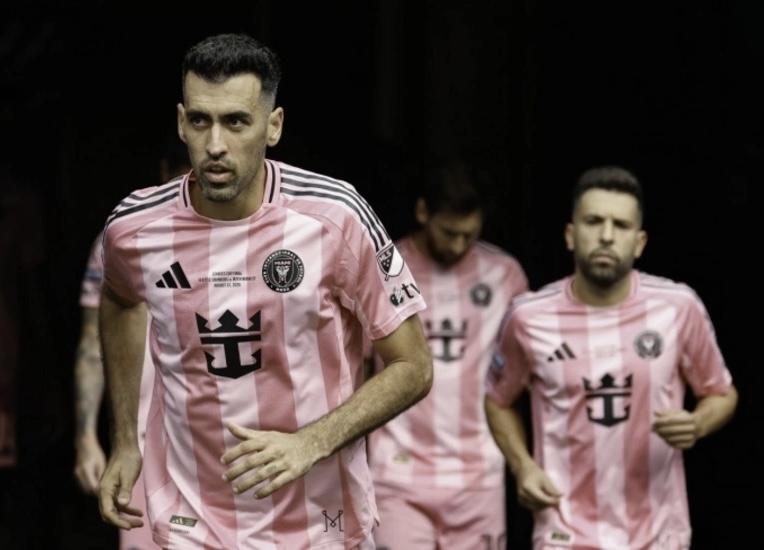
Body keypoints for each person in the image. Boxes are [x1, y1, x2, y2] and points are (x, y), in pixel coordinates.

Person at [96, 33, 433, 550]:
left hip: (319, 525)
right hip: (192, 522)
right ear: (181, 122)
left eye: (236, 122)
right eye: (201, 121)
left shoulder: (335, 217)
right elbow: (119, 300)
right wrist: (124, 440)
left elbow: (414, 366)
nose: (215, 145)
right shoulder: (134, 228)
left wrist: (311, 442)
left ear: (273, 126)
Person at [484, 166, 738, 550]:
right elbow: (497, 400)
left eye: (620, 225)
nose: (606, 235)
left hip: (659, 534)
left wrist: (698, 423)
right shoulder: (527, 317)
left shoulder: (678, 307)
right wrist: (523, 467)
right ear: (570, 235)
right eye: (594, 221)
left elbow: (721, 392)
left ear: (639, 242)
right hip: (563, 532)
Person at [365, 158, 529, 549]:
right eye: (449, 232)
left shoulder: (505, 275)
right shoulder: (382, 270)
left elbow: (526, 369)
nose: (457, 245)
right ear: (423, 212)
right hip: (397, 473)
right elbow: (355, 364)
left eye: (468, 235)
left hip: (478, 475)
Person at [73, 136, 191, 550]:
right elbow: (93, 342)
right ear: (163, 171)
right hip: (142, 443)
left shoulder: (250, 238)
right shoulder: (124, 238)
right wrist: (86, 437)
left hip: (219, 440)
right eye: (181, 182)